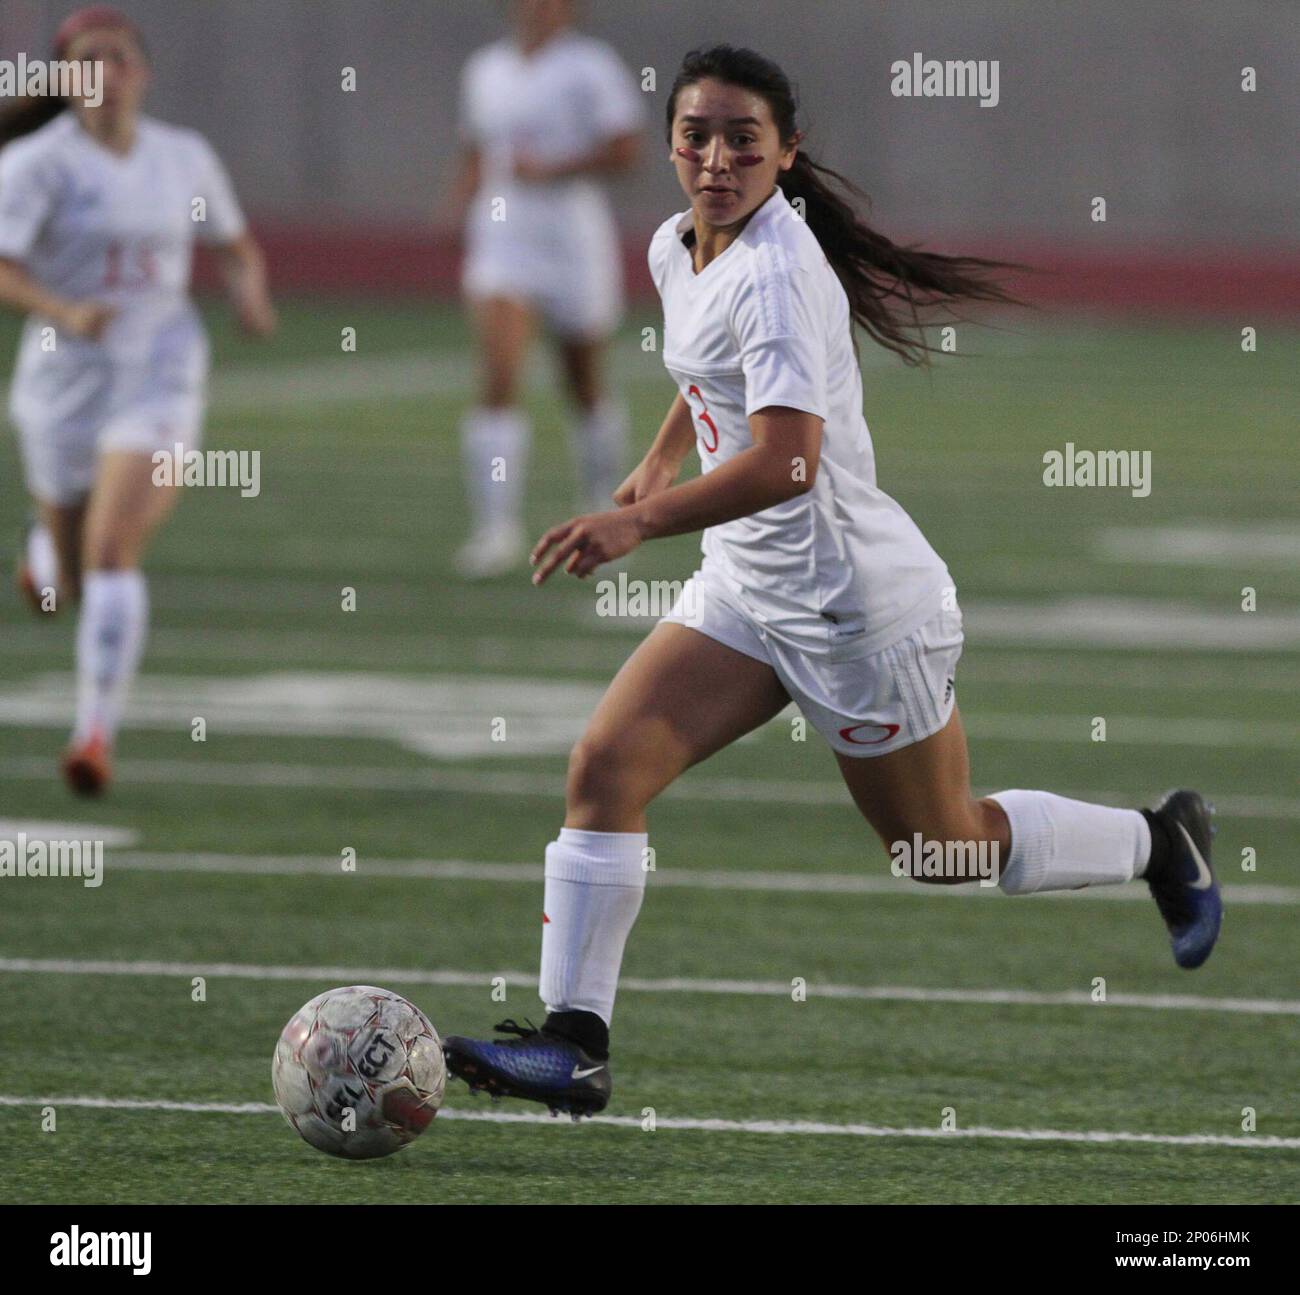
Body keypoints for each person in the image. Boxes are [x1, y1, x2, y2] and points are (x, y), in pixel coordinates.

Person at [442, 45, 1220, 1117]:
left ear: (785, 152)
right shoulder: (682, 244)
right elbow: (705, 367)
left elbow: (787, 460)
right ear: (669, 143)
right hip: (748, 587)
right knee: (604, 767)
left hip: (852, 607)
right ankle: (576, 1045)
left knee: (935, 847)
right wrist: (668, 449)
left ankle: (1154, 838)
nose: (715, 159)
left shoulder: (775, 270)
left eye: (742, 142)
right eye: (696, 136)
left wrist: (637, 519)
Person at [0, 4, 276, 795]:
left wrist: (249, 293)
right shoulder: (36, 165)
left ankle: (93, 735)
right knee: (72, 585)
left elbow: (233, 243)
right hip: (62, 379)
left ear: (143, 73)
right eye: (87, 59)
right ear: (63, 77)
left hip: (159, 368)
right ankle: (45, 548)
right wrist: (62, 310)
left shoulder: (182, 156)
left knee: (114, 554)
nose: (106, 74)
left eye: (119, 57)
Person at [446, 0, 643, 578]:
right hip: (503, 233)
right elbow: (476, 150)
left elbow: (626, 148)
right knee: (499, 376)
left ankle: (602, 510)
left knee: (583, 383)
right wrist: (455, 206)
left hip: (572, 237)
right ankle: (495, 526)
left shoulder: (591, 66)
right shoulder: (485, 69)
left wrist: (555, 167)